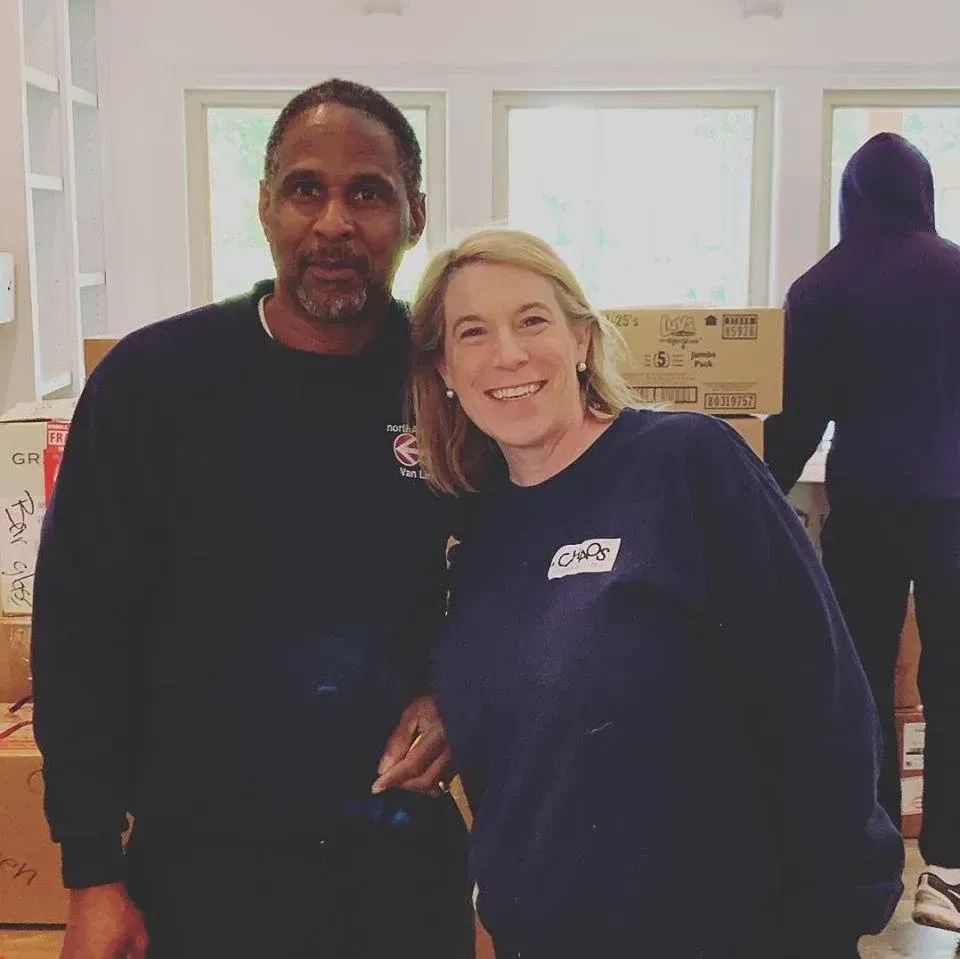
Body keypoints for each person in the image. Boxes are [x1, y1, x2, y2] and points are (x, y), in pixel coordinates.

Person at [30, 79, 474, 959]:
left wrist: (466, 688)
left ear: (415, 215)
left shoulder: (452, 384)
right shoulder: (155, 383)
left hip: (397, 875)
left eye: (369, 192)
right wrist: (90, 871)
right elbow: (79, 631)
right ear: (264, 206)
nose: (335, 222)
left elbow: (524, 574)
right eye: (307, 188)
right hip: (200, 872)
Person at [408, 228, 904, 959]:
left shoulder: (685, 465)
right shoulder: (480, 527)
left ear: (581, 338)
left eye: (532, 320)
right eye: (473, 332)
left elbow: (819, 692)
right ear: (446, 367)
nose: (507, 354)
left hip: (730, 934)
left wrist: (832, 911)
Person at [764, 132, 960, 932]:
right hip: (955, 505)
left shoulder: (819, 287)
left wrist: (747, 490)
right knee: (953, 678)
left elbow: (797, 417)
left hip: (867, 504)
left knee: (862, 679)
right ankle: (947, 868)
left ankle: (871, 855)